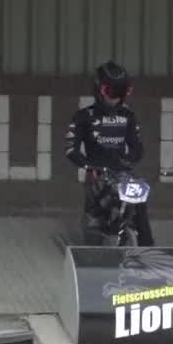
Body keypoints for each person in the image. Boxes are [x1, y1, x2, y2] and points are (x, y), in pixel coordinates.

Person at [64, 60, 156, 245]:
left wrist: (128, 162)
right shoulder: (83, 116)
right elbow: (71, 149)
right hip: (97, 174)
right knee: (98, 212)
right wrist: (89, 166)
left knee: (140, 201)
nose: (116, 98)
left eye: (122, 92)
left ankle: (148, 247)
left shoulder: (128, 116)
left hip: (122, 174)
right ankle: (97, 237)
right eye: (112, 92)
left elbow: (137, 147)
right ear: (99, 90)